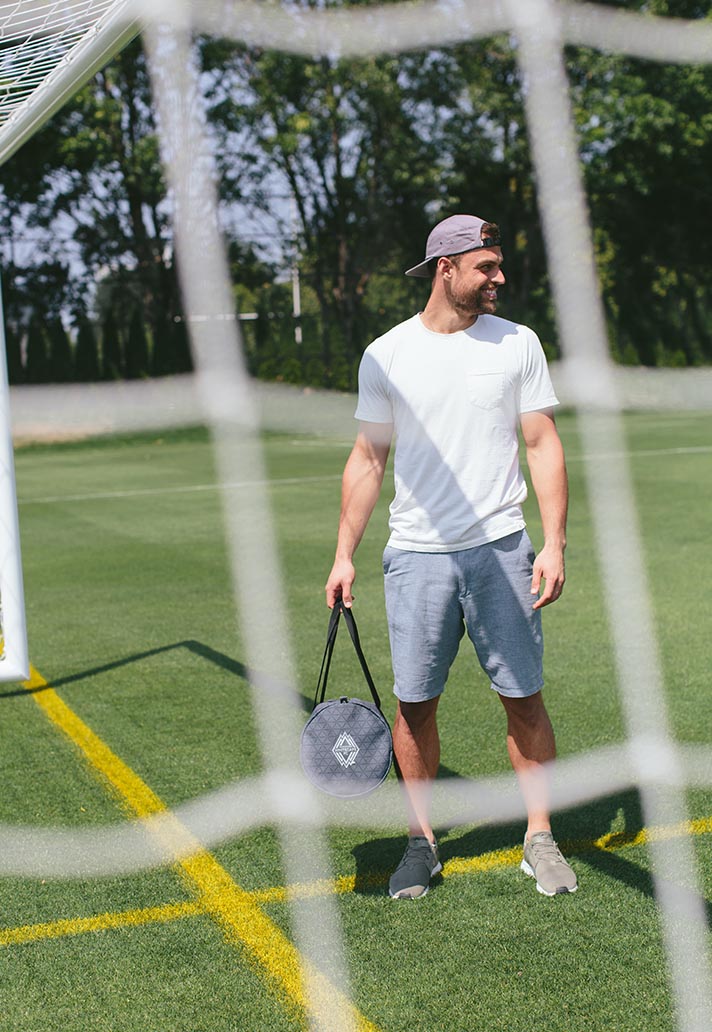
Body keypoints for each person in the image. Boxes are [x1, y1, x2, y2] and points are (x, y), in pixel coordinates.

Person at [325, 213, 577, 899]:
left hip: (503, 550)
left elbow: (542, 443)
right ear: (447, 267)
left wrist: (554, 542)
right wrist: (343, 555)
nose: (500, 277)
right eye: (486, 267)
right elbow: (368, 459)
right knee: (414, 708)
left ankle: (540, 837)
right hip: (417, 556)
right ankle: (421, 843)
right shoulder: (386, 354)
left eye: (498, 265)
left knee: (524, 700)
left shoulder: (518, 343)